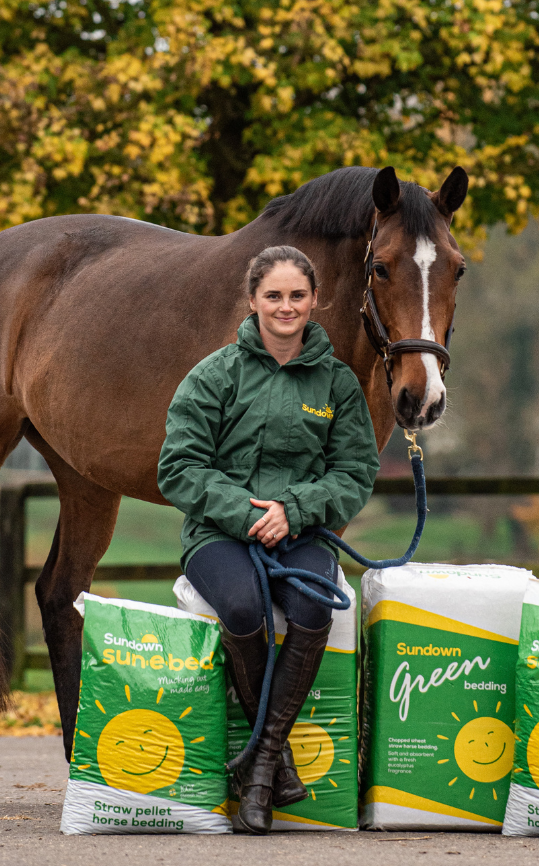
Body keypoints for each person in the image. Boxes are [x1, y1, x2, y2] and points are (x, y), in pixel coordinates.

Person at [157, 245, 380, 834]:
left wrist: (296, 509)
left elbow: (355, 473)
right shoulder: (214, 375)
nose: (286, 307)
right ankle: (273, 764)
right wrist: (245, 513)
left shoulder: (338, 384)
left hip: (303, 530)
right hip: (218, 532)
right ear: (253, 300)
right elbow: (178, 466)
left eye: (297, 296)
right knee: (242, 606)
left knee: (312, 607)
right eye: (274, 296)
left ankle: (256, 767)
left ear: (316, 301)